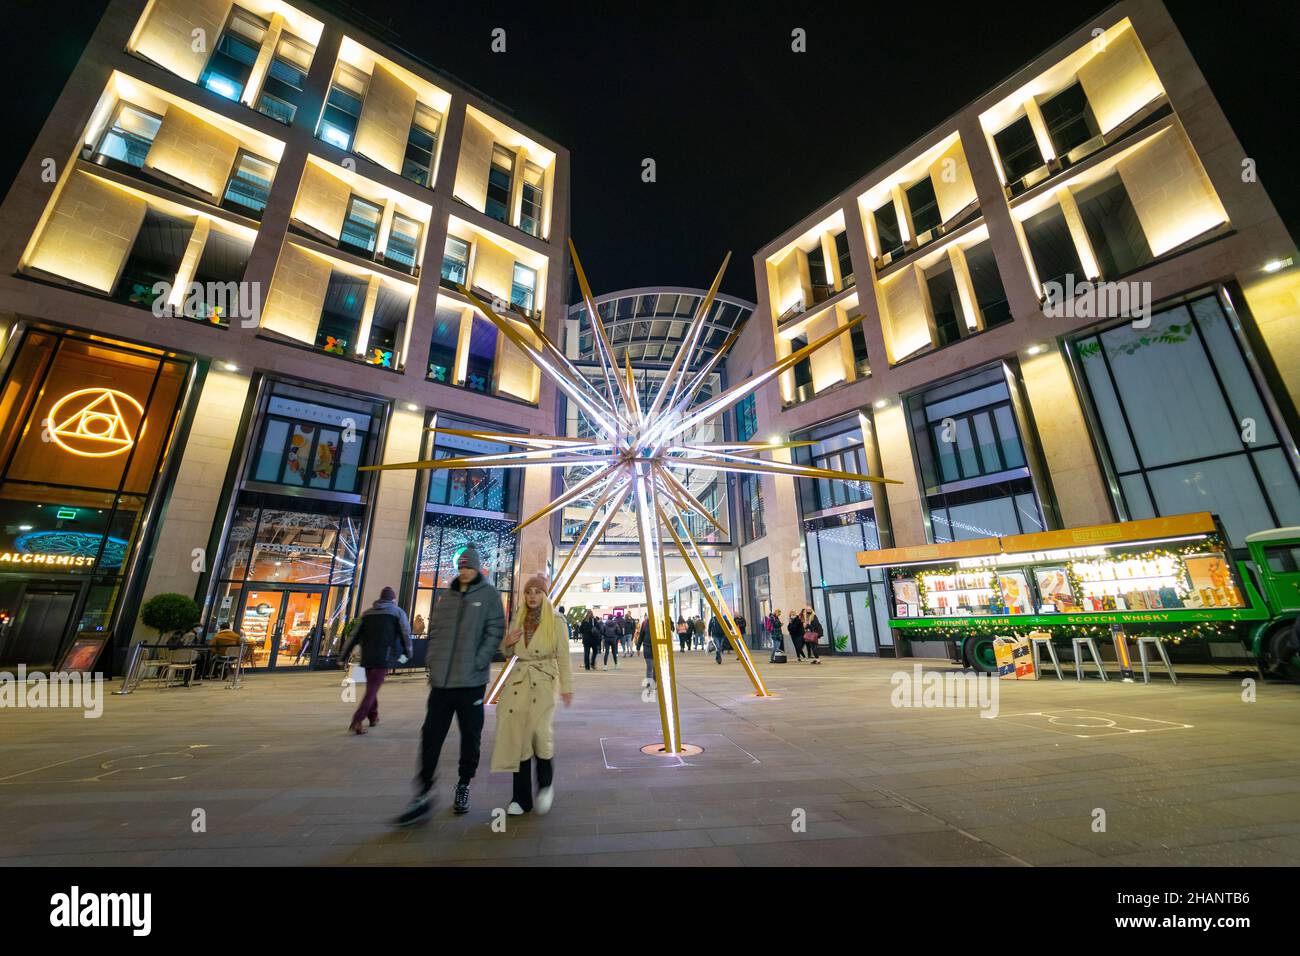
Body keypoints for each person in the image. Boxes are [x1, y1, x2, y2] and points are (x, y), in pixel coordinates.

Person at [394, 546, 504, 826]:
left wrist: (479, 661)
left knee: (471, 737)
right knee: (430, 736)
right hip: (442, 683)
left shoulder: (489, 595)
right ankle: (423, 792)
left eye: (469, 567)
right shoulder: (448, 597)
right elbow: (438, 631)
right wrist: (432, 661)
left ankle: (463, 784)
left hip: (471, 683)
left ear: (478, 569)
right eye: (462, 568)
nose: (465, 572)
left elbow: (495, 631)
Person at [493, 575, 573, 815]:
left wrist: (567, 688)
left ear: (545, 594)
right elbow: (508, 651)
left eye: (538, 592)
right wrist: (506, 642)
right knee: (519, 737)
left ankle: (546, 784)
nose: (533, 596)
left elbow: (564, 657)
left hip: (544, 680)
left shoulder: (557, 621)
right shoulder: (518, 617)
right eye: (529, 592)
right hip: (519, 680)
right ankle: (521, 798)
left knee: (540, 733)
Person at [341, 587, 412, 734]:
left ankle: (373, 716)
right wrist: (408, 652)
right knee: (372, 689)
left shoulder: (367, 614)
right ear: (393, 599)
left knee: (371, 688)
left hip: (367, 656)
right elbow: (406, 633)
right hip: (383, 657)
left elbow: (354, 636)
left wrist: (343, 655)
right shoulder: (398, 612)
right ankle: (357, 720)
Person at [636, 616, 655, 686]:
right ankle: (650, 683)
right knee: (650, 667)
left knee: (654, 667)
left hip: (655, 648)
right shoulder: (645, 623)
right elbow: (641, 636)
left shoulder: (659, 622)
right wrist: (638, 648)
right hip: (648, 648)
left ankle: (653, 682)